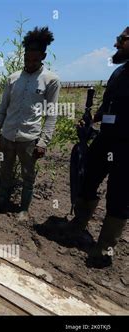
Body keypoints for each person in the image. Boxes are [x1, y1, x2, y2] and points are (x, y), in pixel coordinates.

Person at [65, 27, 129, 267]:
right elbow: (108, 107)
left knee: (119, 198)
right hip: (106, 141)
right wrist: (91, 120)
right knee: (88, 180)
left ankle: (104, 249)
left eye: (121, 40)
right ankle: (79, 224)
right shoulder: (119, 74)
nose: (116, 45)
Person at [0, 26, 60, 222]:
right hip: (7, 136)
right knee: (5, 170)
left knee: (28, 176)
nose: (29, 63)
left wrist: (43, 142)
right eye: (27, 59)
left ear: (43, 56)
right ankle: (2, 200)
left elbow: (51, 114)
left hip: (29, 139)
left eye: (34, 60)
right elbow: (2, 107)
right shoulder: (13, 78)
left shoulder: (51, 80)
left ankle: (24, 209)